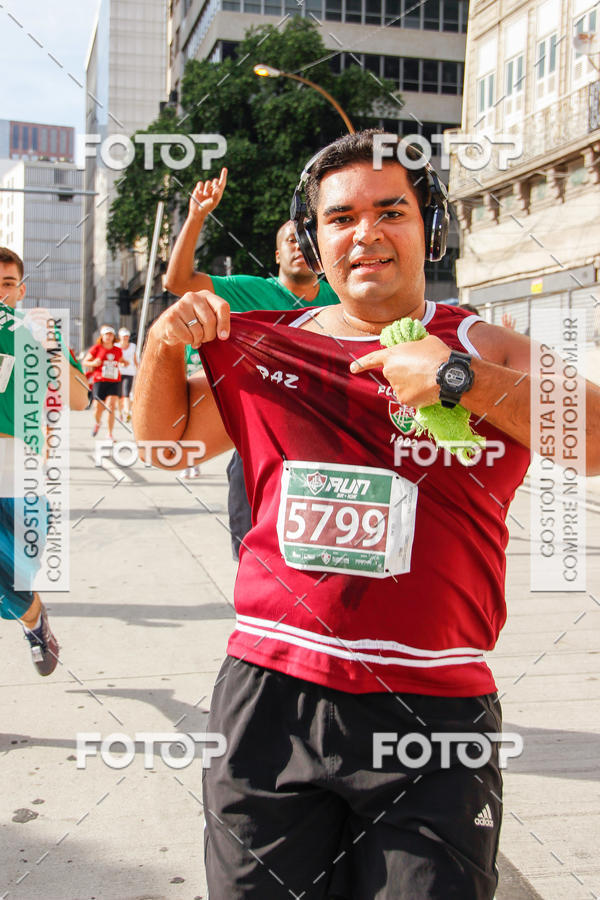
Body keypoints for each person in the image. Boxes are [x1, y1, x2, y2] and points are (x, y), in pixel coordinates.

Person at [134, 131, 600, 899]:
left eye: (393, 211)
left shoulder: (489, 345)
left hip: (435, 708)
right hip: (270, 695)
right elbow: (167, 446)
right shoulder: (267, 349)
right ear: (314, 241)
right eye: (342, 217)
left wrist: (458, 379)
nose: (367, 234)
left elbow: (592, 441)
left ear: (432, 229)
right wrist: (159, 349)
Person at [165, 167, 339, 557]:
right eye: (289, 240)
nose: (297, 246)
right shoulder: (251, 290)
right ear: (277, 254)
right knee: (253, 554)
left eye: (305, 239)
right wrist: (196, 217)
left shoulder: (341, 298)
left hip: (324, 443)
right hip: (256, 444)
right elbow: (177, 282)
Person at [0, 247, 89, 674]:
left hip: (21, 473)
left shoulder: (32, 333)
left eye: (6, 283)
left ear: (20, 289)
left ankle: (33, 618)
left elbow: (79, 399)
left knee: (17, 581)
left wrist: (50, 346)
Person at [84, 325, 123, 441]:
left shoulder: (117, 350)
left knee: (111, 406)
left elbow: (120, 360)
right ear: (102, 336)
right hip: (99, 380)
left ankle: (110, 434)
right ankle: (98, 422)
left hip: (114, 381)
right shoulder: (96, 348)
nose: (109, 336)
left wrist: (125, 363)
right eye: (106, 334)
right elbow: (85, 361)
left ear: (113, 336)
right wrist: (93, 363)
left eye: (111, 334)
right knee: (97, 408)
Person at [116, 327, 138, 422]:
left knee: (126, 393)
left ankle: (127, 412)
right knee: (119, 395)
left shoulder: (133, 346)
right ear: (120, 337)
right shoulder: (115, 346)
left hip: (129, 372)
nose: (125, 338)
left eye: (127, 336)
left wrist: (139, 369)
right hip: (117, 373)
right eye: (123, 336)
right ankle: (120, 412)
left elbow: (135, 359)